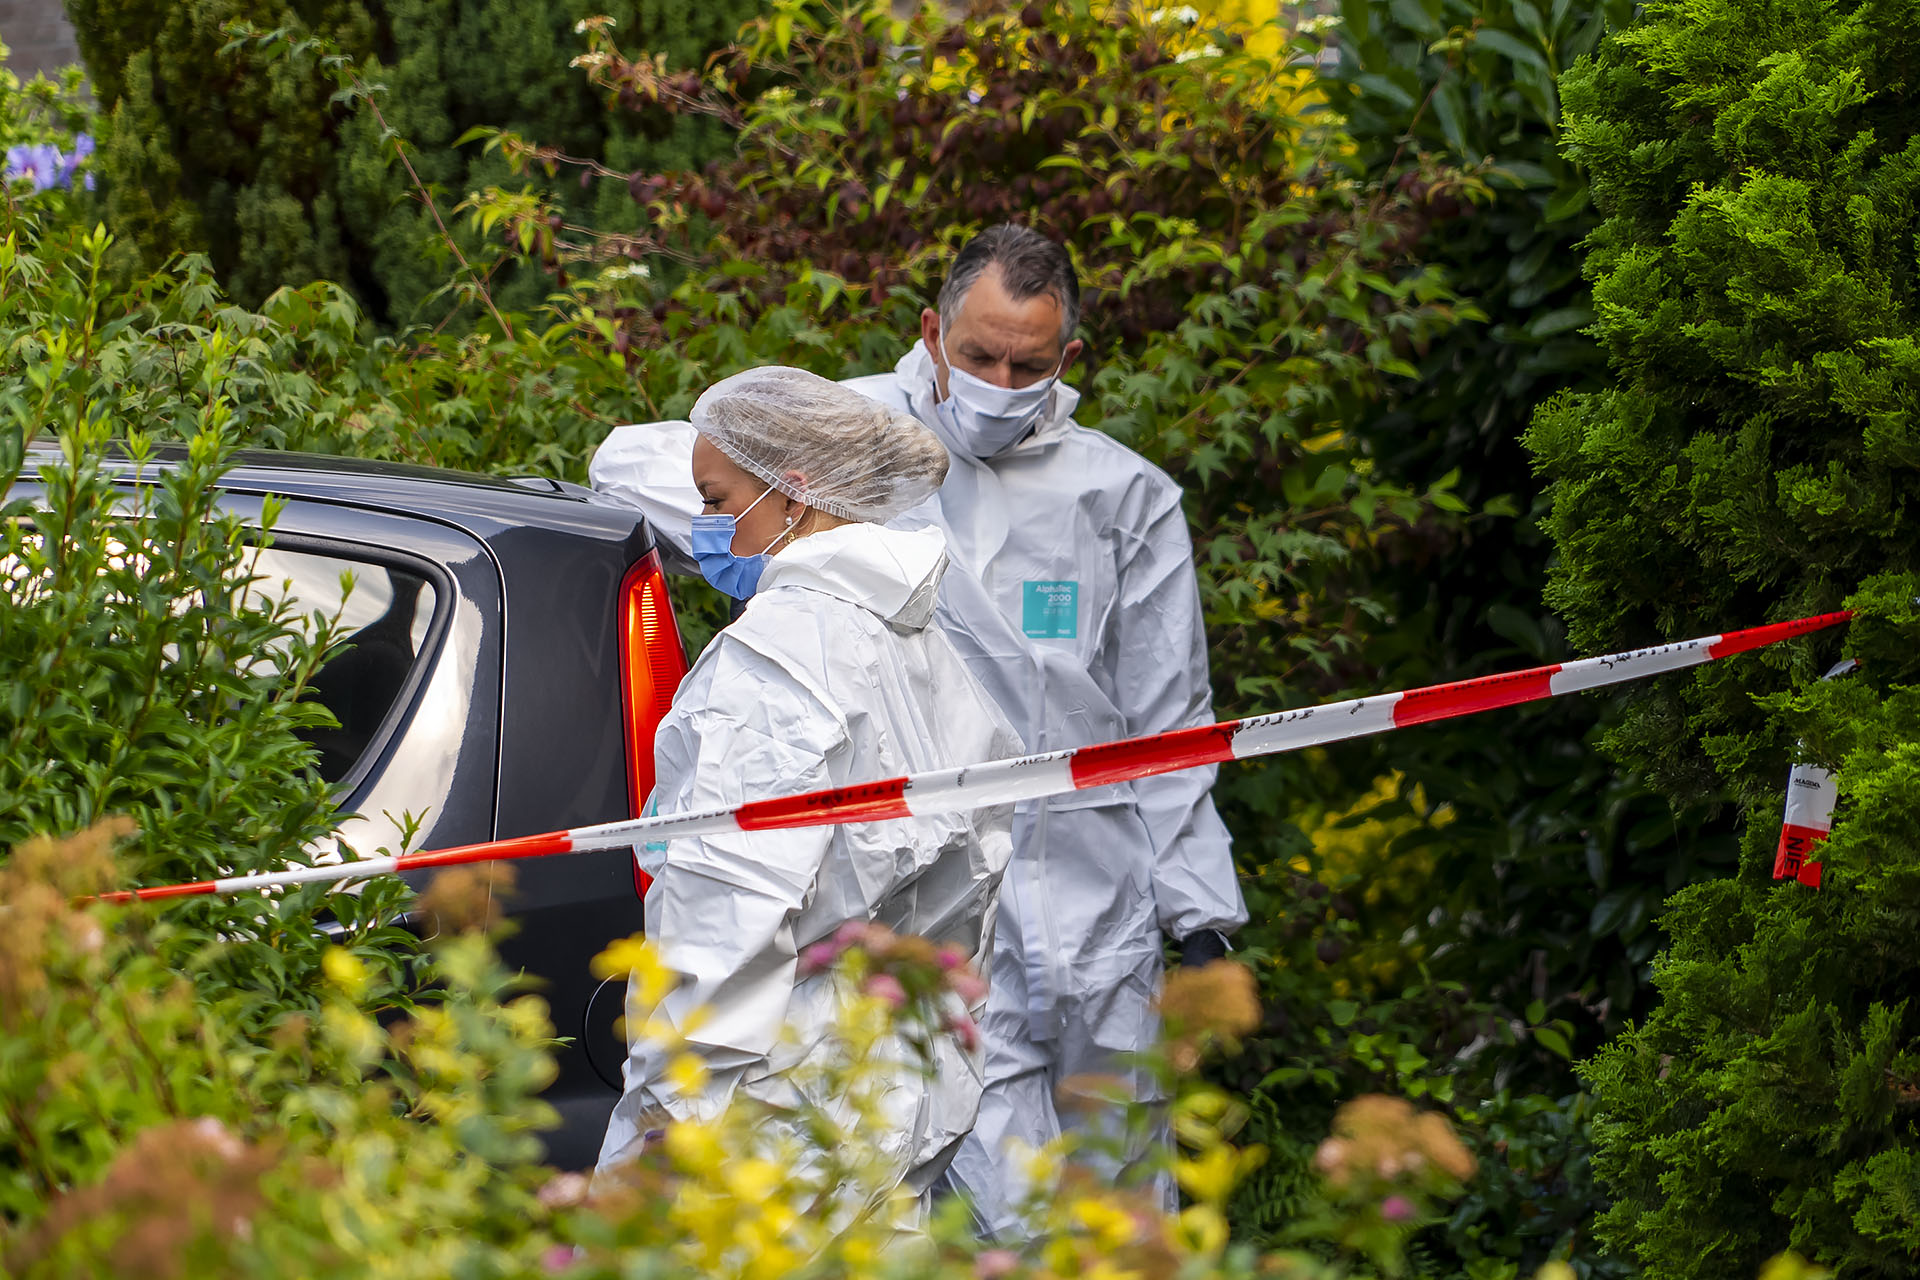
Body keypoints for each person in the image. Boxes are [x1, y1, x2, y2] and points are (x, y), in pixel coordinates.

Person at [592, 226, 1246, 1235]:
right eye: (978, 354)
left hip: (1076, 892)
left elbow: (1169, 722)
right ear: (931, 333)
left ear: (1068, 361)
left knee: (1107, 1202)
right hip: (911, 947)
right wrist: (778, 467)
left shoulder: (1120, 495)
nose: (998, 379)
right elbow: (650, 463)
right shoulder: (838, 450)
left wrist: (1198, 917)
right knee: (970, 1202)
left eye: (1027, 364)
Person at [594, 367, 1023, 1216]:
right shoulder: (914, 643)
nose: (705, 526)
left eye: (716, 500)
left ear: (791, 493)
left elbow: (727, 914)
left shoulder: (776, 658)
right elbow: (971, 886)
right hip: (891, 1090)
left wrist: (669, 1121)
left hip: (763, 1110)